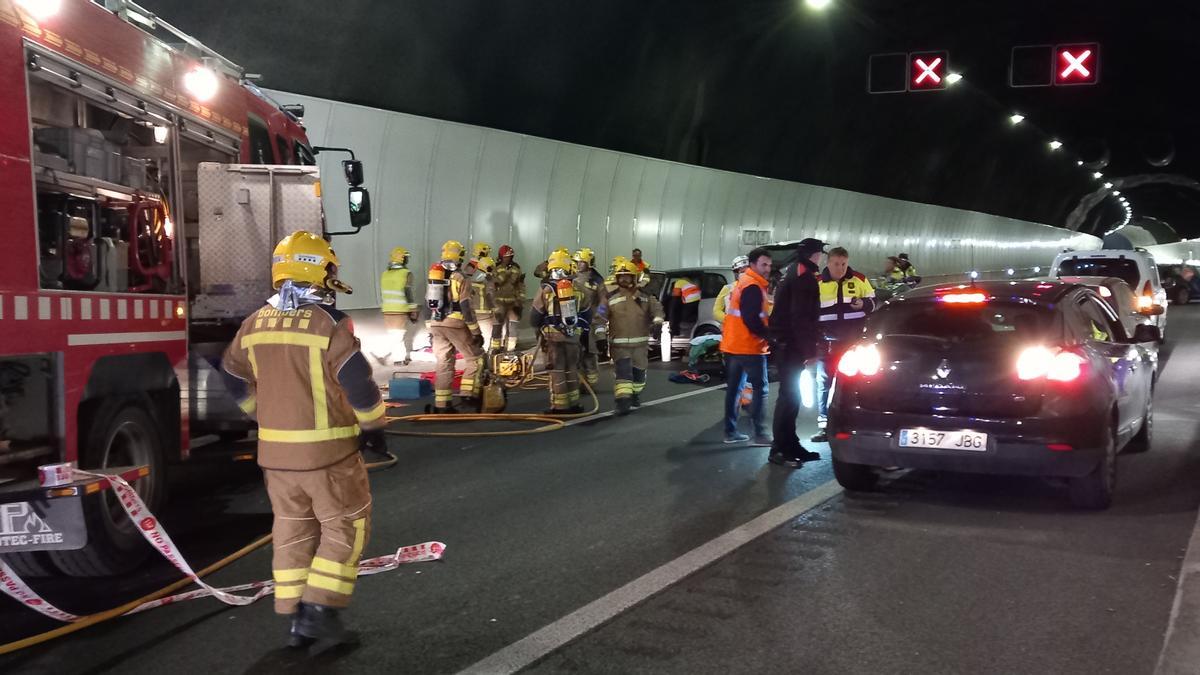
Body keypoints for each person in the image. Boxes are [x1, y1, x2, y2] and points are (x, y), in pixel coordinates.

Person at [221, 231, 386, 649]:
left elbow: (233, 375)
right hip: (328, 456)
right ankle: (318, 609)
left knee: (292, 531)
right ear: (317, 269)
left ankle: (295, 616)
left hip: (276, 458)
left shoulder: (253, 323)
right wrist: (373, 426)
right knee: (345, 528)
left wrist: (260, 414)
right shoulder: (329, 323)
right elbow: (358, 384)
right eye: (329, 266)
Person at [769, 237, 825, 467]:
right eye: (820, 253)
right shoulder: (803, 278)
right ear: (815, 254)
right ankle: (779, 450)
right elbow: (800, 318)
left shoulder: (796, 271)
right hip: (790, 346)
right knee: (789, 397)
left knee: (792, 397)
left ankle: (790, 444)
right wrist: (809, 350)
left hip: (787, 344)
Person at [811, 247, 876, 443]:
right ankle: (825, 426)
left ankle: (856, 423)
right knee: (824, 383)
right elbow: (809, 312)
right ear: (828, 263)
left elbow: (874, 303)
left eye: (843, 264)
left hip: (852, 343)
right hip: (827, 343)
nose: (840, 268)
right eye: (836, 264)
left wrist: (863, 304)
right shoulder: (818, 283)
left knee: (856, 382)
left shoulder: (859, 279)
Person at [720, 247, 774, 445]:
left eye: (769, 265)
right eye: (764, 264)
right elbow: (752, 319)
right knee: (761, 389)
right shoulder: (752, 286)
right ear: (752, 265)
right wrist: (770, 336)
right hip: (749, 347)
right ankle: (760, 433)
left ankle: (730, 432)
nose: (768, 269)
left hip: (733, 345)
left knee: (734, 390)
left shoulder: (744, 282)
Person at [426, 240, 484, 413]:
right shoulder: (460, 278)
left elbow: (426, 304)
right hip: (455, 324)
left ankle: (442, 405)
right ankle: (468, 394)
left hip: (436, 324)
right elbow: (466, 306)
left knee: (444, 362)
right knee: (475, 359)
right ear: (459, 257)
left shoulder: (434, 276)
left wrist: (429, 328)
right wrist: (475, 331)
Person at [531, 249, 591, 413]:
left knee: (557, 370)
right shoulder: (578, 287)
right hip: (573, 338)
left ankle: (560, 405)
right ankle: (574, 404)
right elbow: (587, 310)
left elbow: (535, 316)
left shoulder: (546, 289)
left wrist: (540, 330)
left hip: (553, 338)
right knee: (572, 368)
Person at [607, 257, 665, 414]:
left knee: (639, 376)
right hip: (619, 346)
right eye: (621, 276)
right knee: (623, 373)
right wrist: (598, 338)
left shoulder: (645, 297)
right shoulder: (610, 298)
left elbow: (657, 311)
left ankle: (634, 394)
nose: (624, 279)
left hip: (640, 346)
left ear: (634, 277)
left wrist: (658, 324)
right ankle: (622, 401)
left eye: (627, 276)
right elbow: (599, 318)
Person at [377, 245, 419, 365]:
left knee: (394, 334)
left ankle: (398, 356)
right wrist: (413, 309)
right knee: (398, 336)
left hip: (387, 309)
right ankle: (398, 359)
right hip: (400, 309)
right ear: (403, 259)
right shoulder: (406, 273)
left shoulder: (385, 274)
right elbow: (407, 292)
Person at [573, 248, 607, 386]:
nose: (578, 264)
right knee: (575, 353)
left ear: (589, 263)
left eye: (582, 262)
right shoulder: (570, 276)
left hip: (590, 321)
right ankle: (578, 382)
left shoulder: (597, 281)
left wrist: (599, 318)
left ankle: (591, 382)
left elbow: (604, 302)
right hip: (573, 321)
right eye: (577, 261)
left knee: (589, 353)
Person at [492, 245, 525, 351]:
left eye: (510, 256)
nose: (508, 258)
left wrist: (520, 301)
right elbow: (493, 284)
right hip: (498, 302)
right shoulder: (495, 267)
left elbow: (521, 285)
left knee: (513, 327)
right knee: (497, 327)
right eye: (506, 256)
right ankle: (495, 349)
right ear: (501, 256)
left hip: (513, 302)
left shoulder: (516, 268)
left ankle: (510, 349)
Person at [470, 255, 498, 352]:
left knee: (474, 338)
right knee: (485, 339)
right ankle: (484, 359)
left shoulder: (469, 277)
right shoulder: (488, 280)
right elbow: (491, 296)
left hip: (471, 313)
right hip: (485, 314)